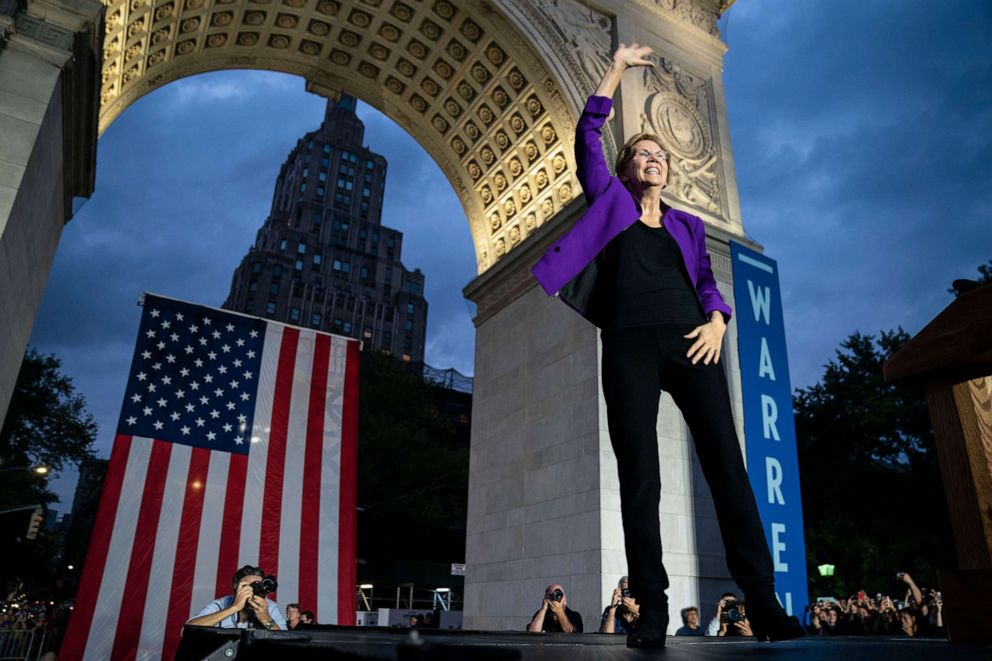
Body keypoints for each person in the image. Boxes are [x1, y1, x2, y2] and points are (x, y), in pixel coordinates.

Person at [531, 42, 805, 649]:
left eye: (659, 155)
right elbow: (588, 131)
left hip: (692, 340)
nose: (652, 158)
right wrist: (619, 68)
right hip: (628, 344)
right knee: (639, 476)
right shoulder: (609, 201)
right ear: (627, 169)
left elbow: (707, 281)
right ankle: (649, 610)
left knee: (727, 469)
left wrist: (718, 320)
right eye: (642, 154)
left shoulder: (689, 224)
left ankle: (765, 603)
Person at [186, 565, 286, 630]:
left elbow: (285, 647)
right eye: (250, 587)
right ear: (236, 588)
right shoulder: (221, 605)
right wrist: (234, 607)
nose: (255, 593)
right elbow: (186, 631)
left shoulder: (270, 607)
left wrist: (267, 620)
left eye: (260, 587)